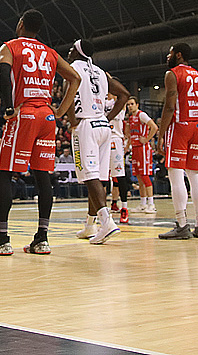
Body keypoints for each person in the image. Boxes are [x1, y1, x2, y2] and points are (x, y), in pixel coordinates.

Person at [0, 9, 80, 256]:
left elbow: (3, 75)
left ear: (21, 24)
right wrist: (61, 111)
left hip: (25, 114)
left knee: (4, 173)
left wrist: (8, 107)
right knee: (43, 176)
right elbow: (75, 78)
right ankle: (42, 239)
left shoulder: (9, 47)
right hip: (47, 116)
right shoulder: (51, 53)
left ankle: (1, 238)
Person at [69, 40, 130, 244]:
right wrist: (109, 116)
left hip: (85, 125)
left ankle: (107, 222)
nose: (68, 53)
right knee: (98, 178)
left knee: (89, 176)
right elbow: (124, 94)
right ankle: (90, 225)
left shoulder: (72, 68)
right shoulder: (102, 72)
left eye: (71, 50)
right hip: (103, 126)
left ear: (77, 52)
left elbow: (68, 95)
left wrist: (72, 121)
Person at [157, 43, 198, 240]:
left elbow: (170, 106)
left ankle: (181, 224)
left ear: (178, 55)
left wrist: (161, 135)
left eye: (169, 53)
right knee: (194, 175)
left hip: (179, 124)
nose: (167, 57)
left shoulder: (173, 74)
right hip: (197, 125)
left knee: (175, 173)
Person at [126, 96, 158, 213]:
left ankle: (151, 204)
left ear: (137, 105)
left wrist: (147, 139)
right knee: (139, 177)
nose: (130, 106)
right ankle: (143, 203)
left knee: (145, 176)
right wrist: (126, 147)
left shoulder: (141, 115)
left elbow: (154, 127)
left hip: (143, 149)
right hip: (134, 148)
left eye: (132, 104)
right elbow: (130, 135)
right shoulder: (130, 118)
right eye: (128, 104)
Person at [105, 92, 133, 223]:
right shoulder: (101, 101)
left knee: (119, 175)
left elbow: (124, 95)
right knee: (102, 177)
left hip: (115, 140)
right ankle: (102, 210)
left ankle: (124, 208)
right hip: (102, 139)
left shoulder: (120, 103)